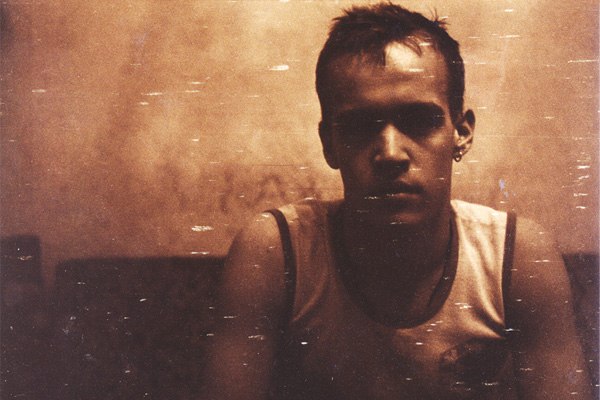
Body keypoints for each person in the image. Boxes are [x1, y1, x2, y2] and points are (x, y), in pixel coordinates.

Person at [203, 3, 592, 399]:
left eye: (419, 121)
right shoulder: (276, 253)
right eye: (360, 126)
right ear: (329, 143)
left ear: (461, 133)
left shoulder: (517, 256)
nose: (390, 153)